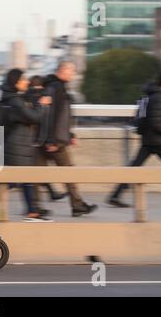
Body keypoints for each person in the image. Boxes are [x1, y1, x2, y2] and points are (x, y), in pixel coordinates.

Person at [0, 69, 53, 222]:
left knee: (16, 180)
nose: (26, 82)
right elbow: (33, 117)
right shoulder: (15, 101)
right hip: (17, 147)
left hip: (16, 146)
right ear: (16, 82)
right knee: (17, 180)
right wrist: (42, 105)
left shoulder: (11, 98)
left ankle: (31, 212)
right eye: (23, 80)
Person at [37, 61, 98, 217]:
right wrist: (52, 140)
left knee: (36, 174)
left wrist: (70, 135)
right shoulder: (56, 88)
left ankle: (35, 207)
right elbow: (52, 116)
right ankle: (76, 205)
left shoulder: (57, 87)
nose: (73, 74)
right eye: (71, 71)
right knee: (67, 173)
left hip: (53, 139)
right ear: (62, 71)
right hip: (54, 141)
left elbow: (63, 116)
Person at [108, 70, 161, 207]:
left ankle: (115, 195)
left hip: (148, 139)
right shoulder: (158, 98)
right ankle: (115, 196)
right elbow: (156, 121)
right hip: (158, 141)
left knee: (134, 167)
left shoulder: (149, 96)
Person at [26, 75, 67, 202]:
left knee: (36, 171)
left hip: (33, 140)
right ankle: (34, 207)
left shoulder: (25, 97)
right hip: (38, 140)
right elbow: (40, 117)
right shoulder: (41, 98)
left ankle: (39, 202)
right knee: (31, 175)